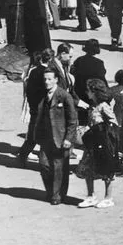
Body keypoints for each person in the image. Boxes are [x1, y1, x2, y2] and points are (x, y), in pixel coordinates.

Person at [34, 67, 77, 206]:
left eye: (49, 79)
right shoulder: (43, 95)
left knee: (59, 168)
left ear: (56, 80)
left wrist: (68, 138)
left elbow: (72, 120)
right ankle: (51, 191)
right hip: (45, 138)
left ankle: (57, 195)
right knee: (44, 165)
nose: (46, 82)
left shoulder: (64, 96)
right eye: (45, 79)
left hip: (61, 138)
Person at [76, 79, 120, 209]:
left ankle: (108, 198)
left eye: (88, 90)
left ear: (94, 92)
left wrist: (105, 132)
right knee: (88, 168)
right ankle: (91, 196)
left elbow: (113, 123)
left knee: (107, 170)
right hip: (92, 142)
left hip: (103, 142)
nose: (86, 92)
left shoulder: (104, 106)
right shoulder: (93, 105)